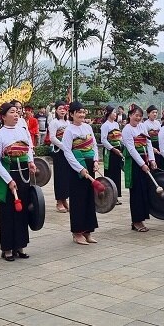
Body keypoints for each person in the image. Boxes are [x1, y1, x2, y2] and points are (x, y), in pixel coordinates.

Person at [0, 102, 37, 261]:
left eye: (17, 112)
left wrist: (30, 162)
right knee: (8, 213)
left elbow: (29, 149)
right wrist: (9, 180)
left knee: (23, 211)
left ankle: (20, 245)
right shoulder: (0, 135)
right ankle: (7, 248)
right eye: (12, 112)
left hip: (24, 175)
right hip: (8, 176)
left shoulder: (23, 131)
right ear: (3, 116)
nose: (16, 115)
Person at [61, 101, 100, 245]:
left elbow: (94, 145)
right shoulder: (69, 130)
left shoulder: (88, 127)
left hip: (90, 166)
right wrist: (80, 168)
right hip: (77, 168)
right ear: (72, 114)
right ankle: (77, 232)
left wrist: (96, 161)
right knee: (78, 200)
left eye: (83, 112)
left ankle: (88, 231)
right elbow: (67, 151)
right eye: (79, 112)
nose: (82, 115)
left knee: (90, 199)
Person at [122, 105, 157, 232]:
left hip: (145, 159)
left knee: (145, 190)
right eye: (135, 115)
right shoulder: (127, 129)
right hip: (134, 163)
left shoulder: (142, 126)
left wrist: (151, 160)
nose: (138, 118)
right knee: (136, 191)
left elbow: (148, 143)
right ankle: (136, 221)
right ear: (130, 115)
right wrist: (142, 164)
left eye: (140, 115)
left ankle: (142, 218)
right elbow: (131, 149)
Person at [48, 101, 71, 213]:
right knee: (60, 176)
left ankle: (65, 199)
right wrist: (64, 146)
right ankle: (59, 201)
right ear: (56, 110)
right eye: (60, 108)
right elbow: (52, 138)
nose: (62, 110)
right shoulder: (54, 122)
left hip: (68, 152)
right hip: (59, 151)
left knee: (67, 176)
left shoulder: (68, 122)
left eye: (64, 109)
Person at [99, 105, 123, 204]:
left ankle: (116, 195)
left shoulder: (116, 125)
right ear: (109, 113)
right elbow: (103, 140)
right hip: (110, 151)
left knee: (117, 173)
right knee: (110, 173)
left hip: (118, 149)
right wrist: (113, 149)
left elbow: (120, 137)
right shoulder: (105, 125)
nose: (115, 114)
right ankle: (110, 195)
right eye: (113, 112)